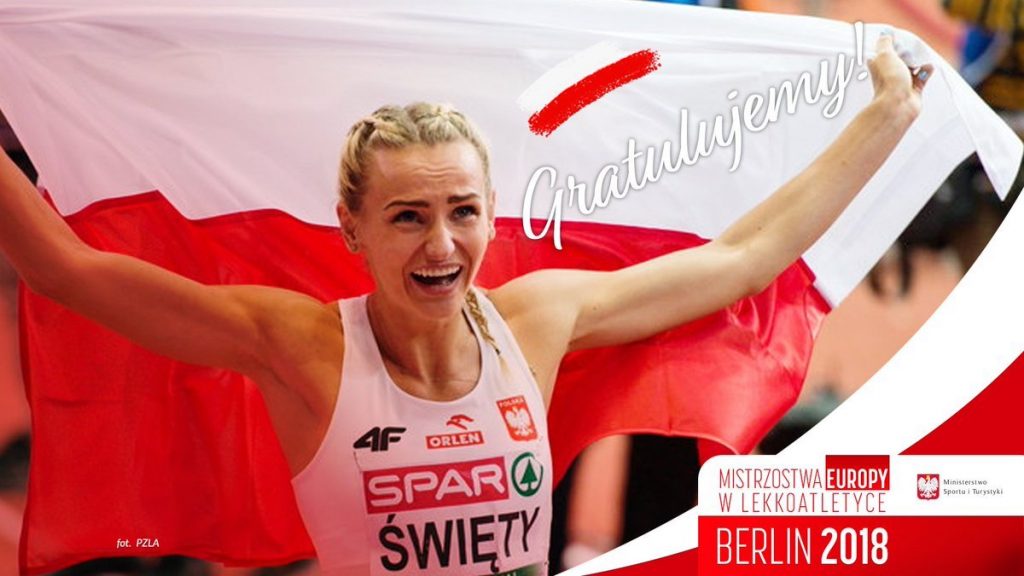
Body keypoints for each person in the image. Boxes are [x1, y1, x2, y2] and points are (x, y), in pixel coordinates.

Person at [0, 35, 929, 575]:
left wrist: (887, 114)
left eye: (463, 213)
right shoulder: (301, 344)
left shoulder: (537, 320)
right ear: (352, 229)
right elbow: (66, 272)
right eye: (408, 217)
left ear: (490, 214)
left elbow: (743, 258)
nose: (441, 246)